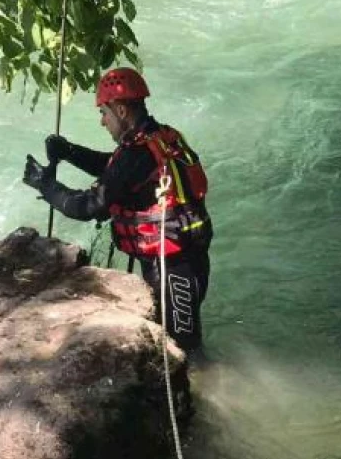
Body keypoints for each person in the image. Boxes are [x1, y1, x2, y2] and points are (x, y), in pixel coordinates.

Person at [22, 67, 213, 353]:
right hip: (186, 255)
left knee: (183, 348)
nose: (102, 122)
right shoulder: (158, 137)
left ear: (121, 111)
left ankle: (197, 391)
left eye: (104, 113)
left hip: (172, 267)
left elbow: (87, 207)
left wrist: (45, 185)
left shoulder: (138, 153)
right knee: (178, 341)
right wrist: (70, 152)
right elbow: (115, 168)